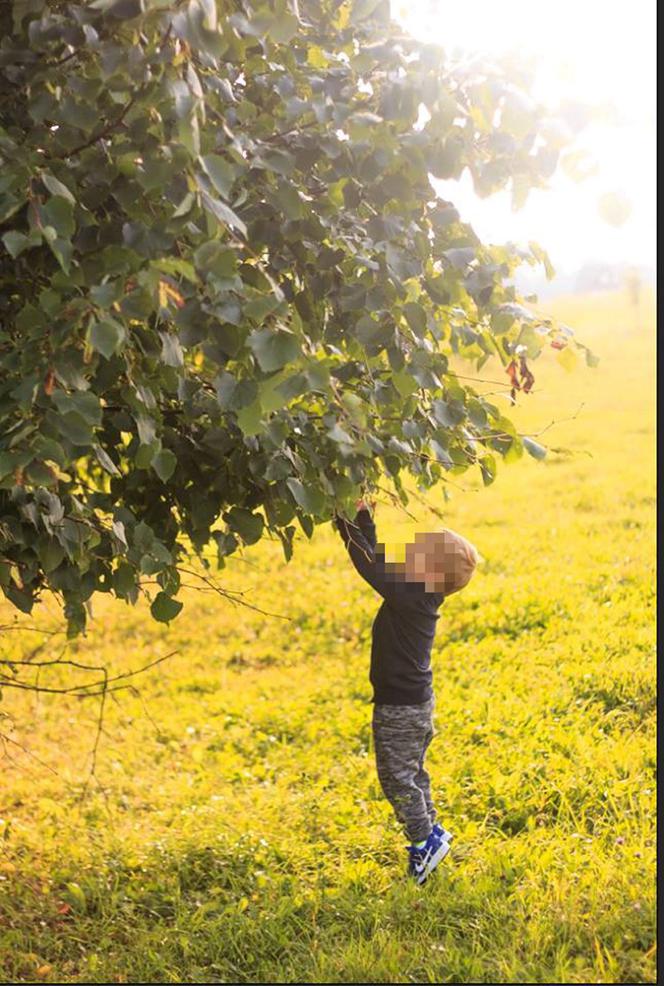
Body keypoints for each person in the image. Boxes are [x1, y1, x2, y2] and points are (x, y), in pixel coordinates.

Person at [333, 498, 479, 885]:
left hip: (400, 706)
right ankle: (430, 831)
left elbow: (369, 565)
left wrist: (344, 516)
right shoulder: (417, 591)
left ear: (430, 571)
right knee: (412, 772)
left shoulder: (412, 593)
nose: (412, 547)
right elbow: (377, 560)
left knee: (397, 778)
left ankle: (422, 841)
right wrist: (362, 515)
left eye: (421, 549)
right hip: (413, 702)